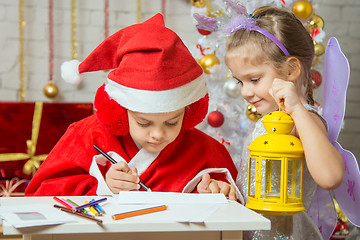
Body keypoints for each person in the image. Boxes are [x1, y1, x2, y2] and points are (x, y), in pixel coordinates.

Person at [25, 13, 242, 203]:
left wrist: (212, 192)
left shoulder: (205, 150)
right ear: (119, 110)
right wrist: (103, 187)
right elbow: (40, 194)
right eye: (143, 122)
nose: (158, 134)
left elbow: (230, 207)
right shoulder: (85, 135)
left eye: (172, 122)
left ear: (188, 111)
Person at [223, 5, 345, 240]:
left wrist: (297, 109)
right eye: (240, 82)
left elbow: (330, 177)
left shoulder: (304, 118)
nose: (246, 92)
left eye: (255, 79)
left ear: (290, 69)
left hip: (285, 235)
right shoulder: (270, 120)